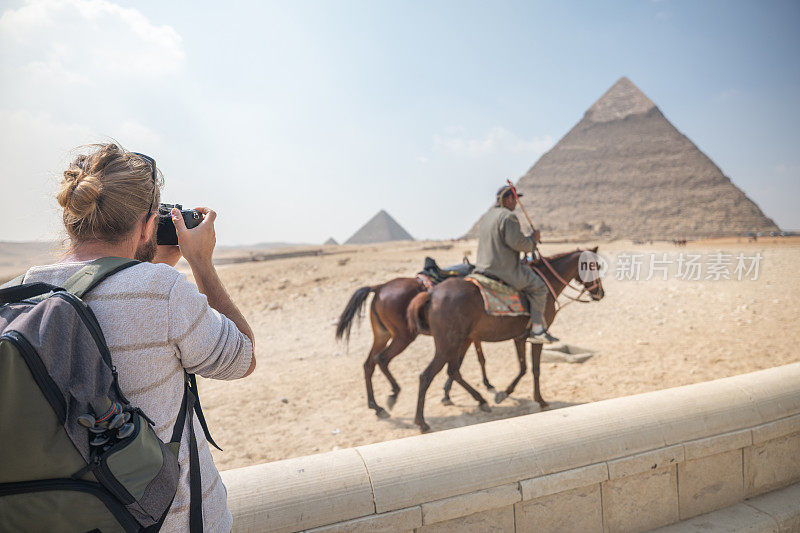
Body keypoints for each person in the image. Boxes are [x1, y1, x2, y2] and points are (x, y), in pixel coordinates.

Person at [19, 143, 255, 532]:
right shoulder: (161, 291)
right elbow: (242, 357)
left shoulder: (23, 291)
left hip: (61, 516)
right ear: (148, 225)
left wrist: (147, 266)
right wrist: (200, 262)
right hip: (169, 521)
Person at [474, 184, 557, 343]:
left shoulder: (488, 217)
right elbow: (519, 244)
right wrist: (533, 239)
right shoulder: (508, 217)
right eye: (516, 199)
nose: (516, 203)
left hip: (481, 268)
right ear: (509, 199)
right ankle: (538, 330)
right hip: (503, 270)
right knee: (539, 287)